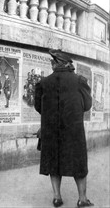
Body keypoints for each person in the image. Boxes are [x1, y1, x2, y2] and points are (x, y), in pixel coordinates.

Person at [34, 49, 93, 208]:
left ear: (54, 64)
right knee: (79, 164)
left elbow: (38, 106)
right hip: (73, 130)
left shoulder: (43, 83)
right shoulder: (80, 80)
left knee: (54, 163)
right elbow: (87, 105)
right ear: (68, 64)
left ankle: (57, 197)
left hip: (51, 129)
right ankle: (82, 199)